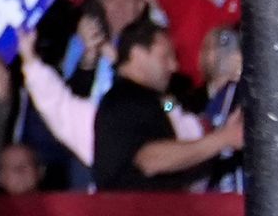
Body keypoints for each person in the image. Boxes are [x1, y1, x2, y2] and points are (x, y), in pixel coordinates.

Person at [93, 17, 243, 190]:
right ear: (138, 54)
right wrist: (223, 138)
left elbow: (172, 107)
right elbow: (150, 159)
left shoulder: (155, 101)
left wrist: (176, 104)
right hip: (134, 212)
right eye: (165, 57)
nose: (173, 66)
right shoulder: (127, 101)